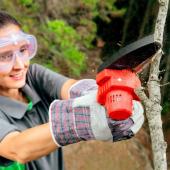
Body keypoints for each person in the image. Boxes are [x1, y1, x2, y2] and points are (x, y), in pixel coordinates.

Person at [0, 11, 144, 170]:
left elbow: (72, 88)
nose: (20, 65)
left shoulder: (32, 77)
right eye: (5, 56)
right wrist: (82, 122)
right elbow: (17, 148)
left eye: (22, 50)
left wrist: (103, 95)